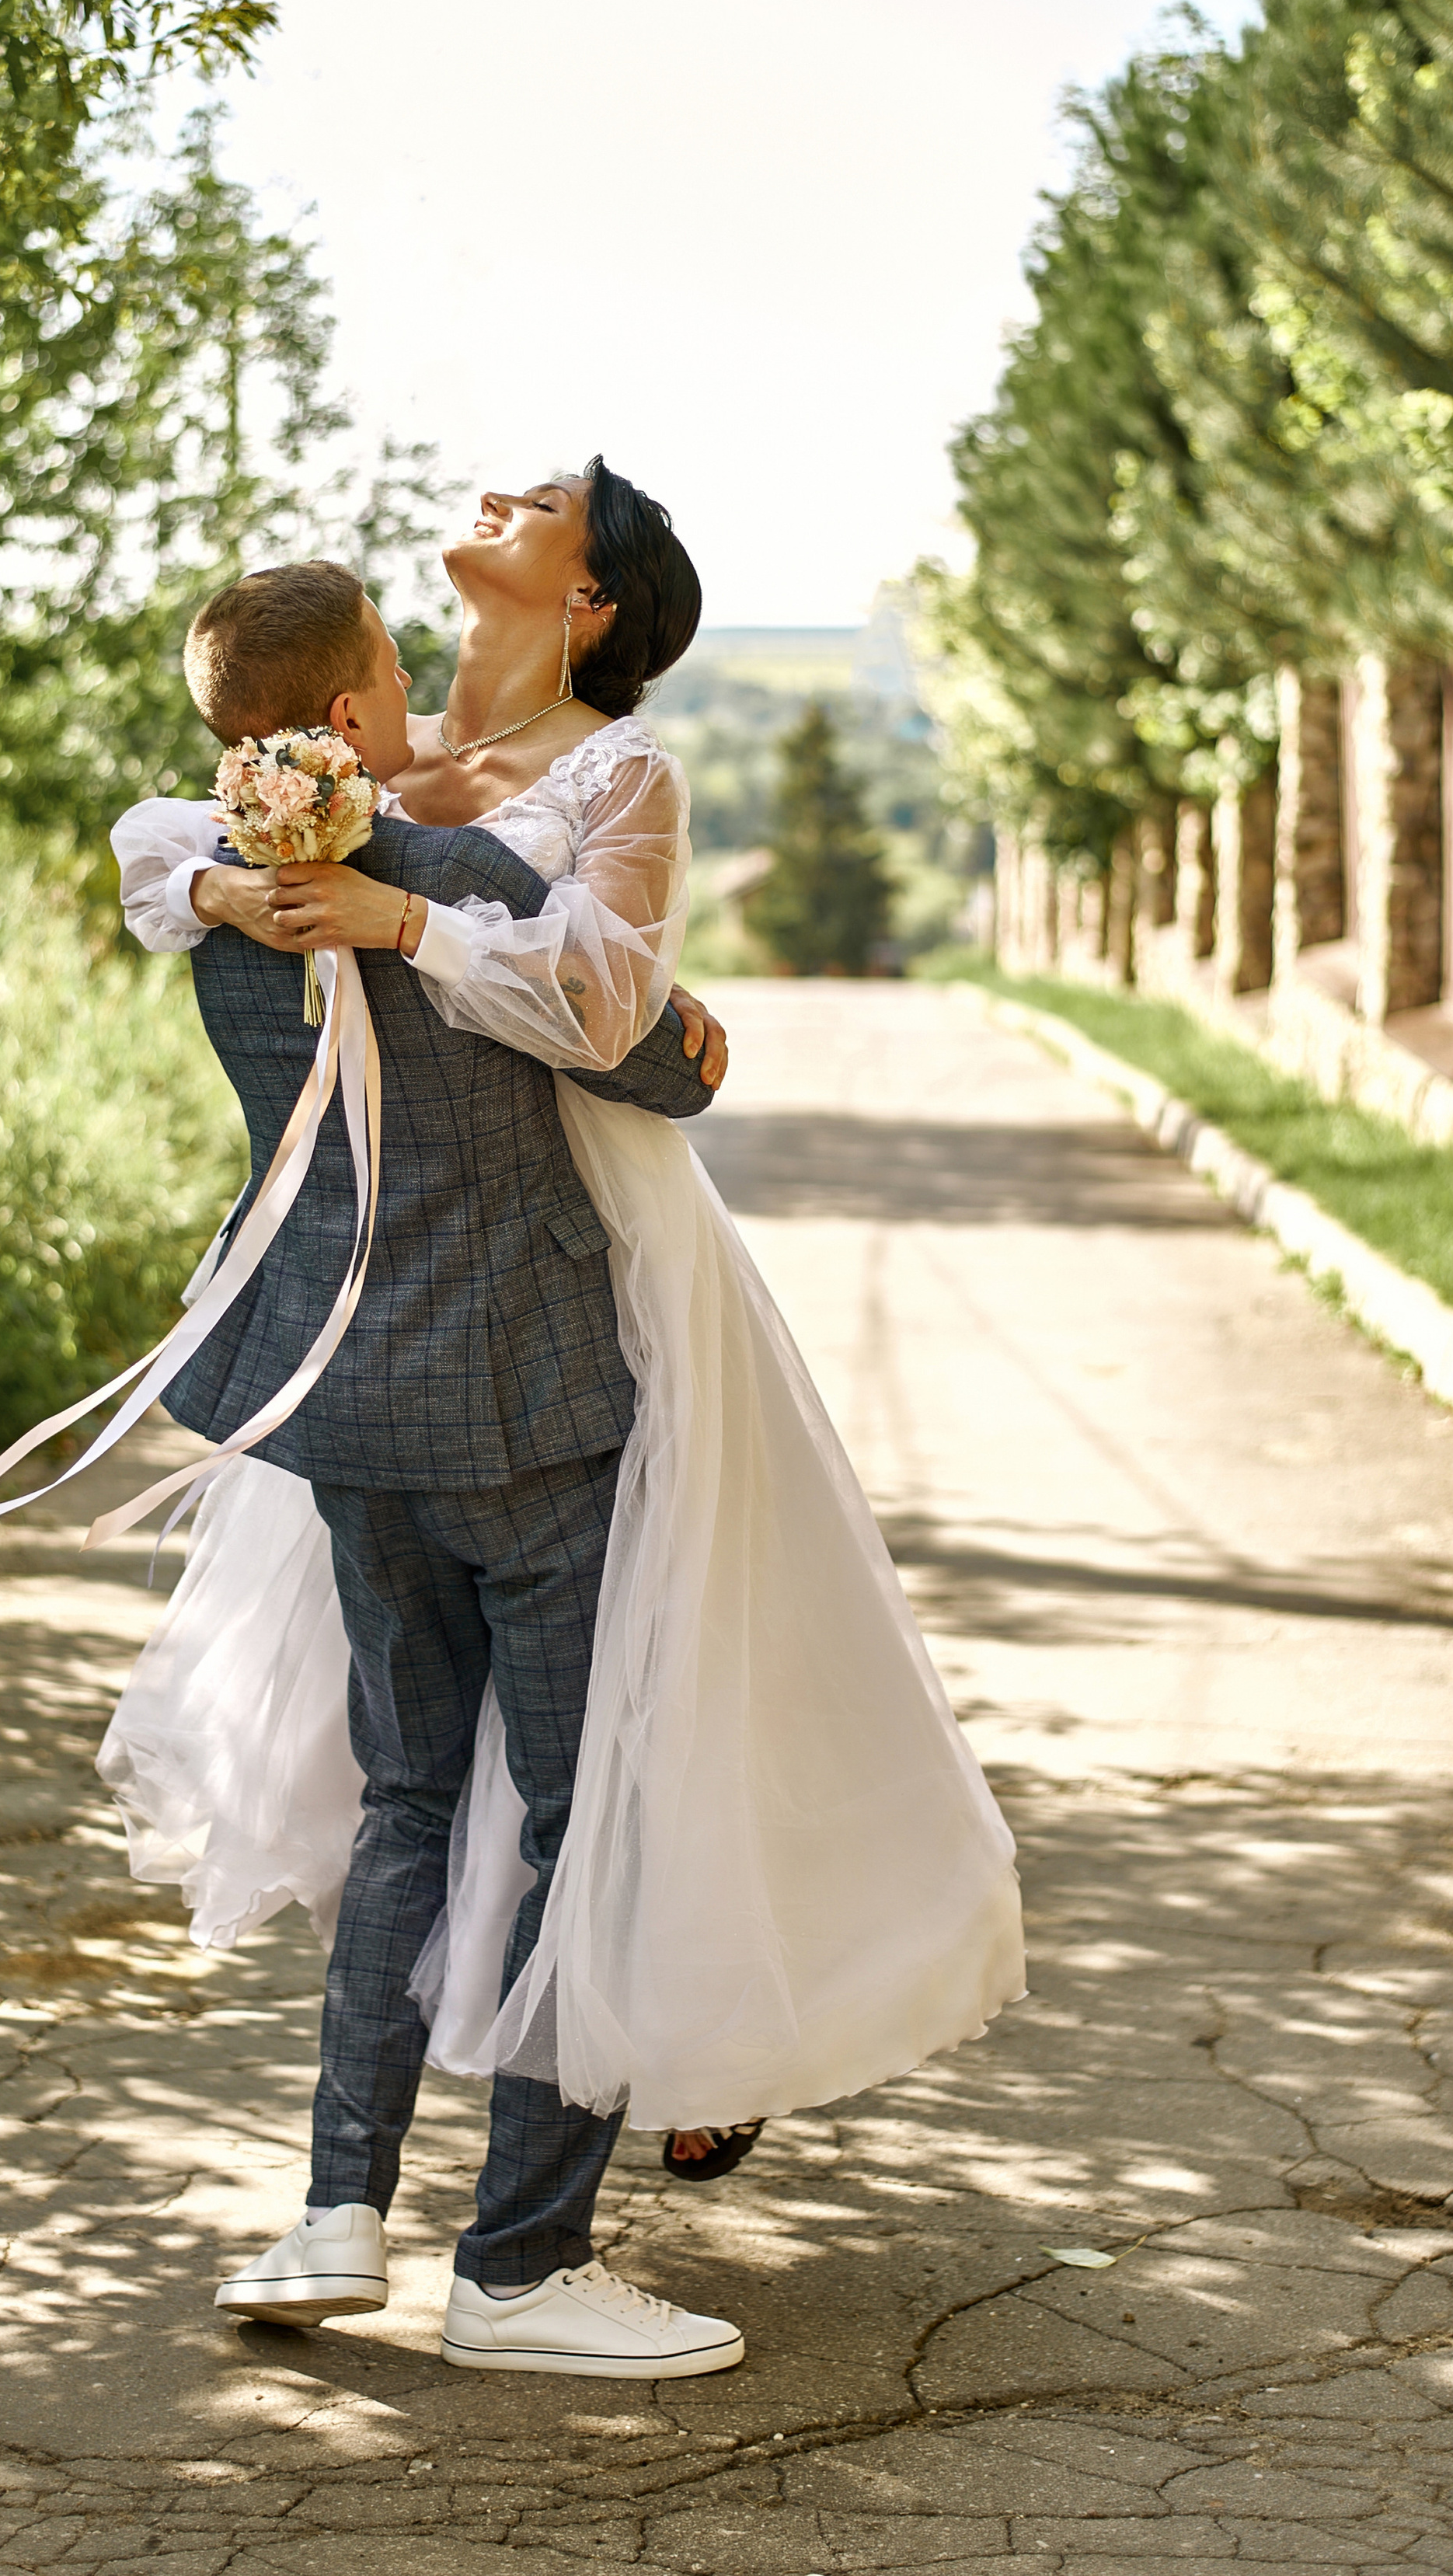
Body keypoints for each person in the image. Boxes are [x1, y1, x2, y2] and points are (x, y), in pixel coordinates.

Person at [107, 463, 1025, 2372]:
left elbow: (610, 1003)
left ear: (590, 597)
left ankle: (365, 2208)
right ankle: (500, 2257)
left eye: (544, 500)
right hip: (463, 1355)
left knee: (484, 1783)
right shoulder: (356, 771)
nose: (495, 492)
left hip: (492, 1326)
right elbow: (174, 848)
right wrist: (267, 885)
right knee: (533, 1784)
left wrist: (389, 915)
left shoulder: (607, 777)